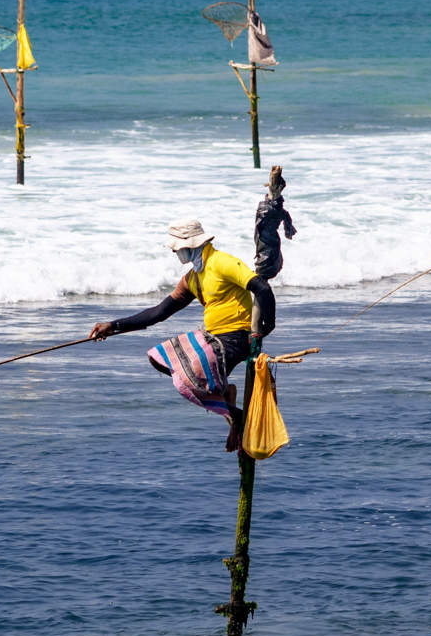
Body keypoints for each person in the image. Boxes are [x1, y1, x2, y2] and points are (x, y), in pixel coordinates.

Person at [89, 219, 269, 451]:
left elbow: (261, 288)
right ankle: (227, 401)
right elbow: (158, 313)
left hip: (237, 338)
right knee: (161, 357)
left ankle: (235, 413)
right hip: (214, 339)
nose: (174, 251)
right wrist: (113, 326)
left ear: (190, 244)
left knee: (188, 375)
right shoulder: (192, 279)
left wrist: (266, 327)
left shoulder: (222, 262)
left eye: (176, 247)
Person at [251, 165, 297, 341]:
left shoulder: (267, 208)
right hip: (269, 251)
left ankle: (255, 329)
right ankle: (255, 329)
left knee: (260, 289)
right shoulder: (274, 210)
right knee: (260, 288)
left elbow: (283, 226)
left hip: (268, 251)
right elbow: (289, 231)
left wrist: (273, 184)